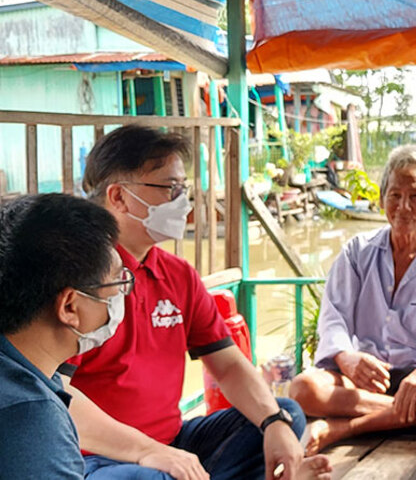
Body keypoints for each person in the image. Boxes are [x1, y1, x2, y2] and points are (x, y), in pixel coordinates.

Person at [65, 125, 331, 480]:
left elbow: (229, 365)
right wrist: (148, 453)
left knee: (284, 416)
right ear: (119, 197)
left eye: (183, 188)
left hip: (173, 442)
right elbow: (56, 396)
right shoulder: (77, 279)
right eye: (169, 188)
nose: (183, 201)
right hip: (98, 457)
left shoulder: (178, 275)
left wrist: (272, 421)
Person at [289, 145, 416, 454]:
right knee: (302, 388)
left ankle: (345, 427)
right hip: (365, 380)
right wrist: (347, 358)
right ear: (381, 201)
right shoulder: (357, 253)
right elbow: (333, 317)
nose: (403, 207)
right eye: (394, 196)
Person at [0, 194, 123, 479]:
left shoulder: (21, 368)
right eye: (117, 282)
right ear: (70, 306)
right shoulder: (29, 418)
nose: (120, 295)